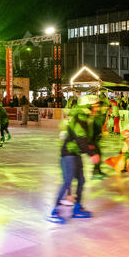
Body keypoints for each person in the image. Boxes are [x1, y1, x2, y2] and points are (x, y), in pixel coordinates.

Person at [49, 96, 101, 224]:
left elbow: (85, 138)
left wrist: (91, 147)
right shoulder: (79, 117)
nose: (98, 108)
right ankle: (54, 211)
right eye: (96, 106)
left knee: (81, 180)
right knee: (68, 180)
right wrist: (91, 154)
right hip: (69, 153)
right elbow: (80, 138)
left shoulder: (85, 118)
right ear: (88, 106)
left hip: (75, 152)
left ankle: (77, 208)